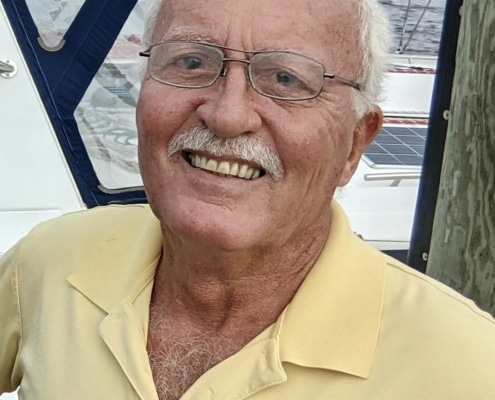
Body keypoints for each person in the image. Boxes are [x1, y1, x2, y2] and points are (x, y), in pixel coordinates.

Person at [1, 0, 495, 398]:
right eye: (191, 62)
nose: (227, 115)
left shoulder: (469, 369)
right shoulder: (48, 262)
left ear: (354, 145)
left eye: (286, 79)